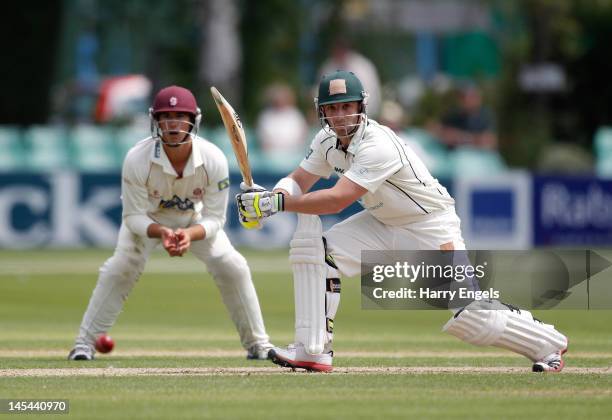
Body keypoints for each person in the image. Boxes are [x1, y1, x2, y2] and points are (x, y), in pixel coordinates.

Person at [235, 71, 568, 373]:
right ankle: (313, 349)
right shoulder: (325, 141)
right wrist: (269, 195)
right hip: (382, 223)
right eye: (332, 109)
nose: (340, 115)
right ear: (322, 111)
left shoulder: (378, 143)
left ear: (361, 107)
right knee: (317, 252)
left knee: (471, 316)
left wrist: (274, 203)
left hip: (429, 226)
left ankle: (547, 342)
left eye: (346, 107)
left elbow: (338, 199)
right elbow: (299, 180)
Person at [68, 86, 273, 360]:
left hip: (194, 220)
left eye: (180, 116)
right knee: (120, 268)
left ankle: (258, 344)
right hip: (149, 221)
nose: (173, 123)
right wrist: (162, 231)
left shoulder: (213, 158)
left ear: (193, 120)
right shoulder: (137, 159)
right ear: (155, 121)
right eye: (166, 116)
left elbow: (216, 219)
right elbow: (132, 217)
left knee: (232, 265)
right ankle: (83, 345)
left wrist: (189, 233)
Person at [430, 83, 498, 150]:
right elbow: (433, 127)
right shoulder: (454, 114)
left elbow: (489, 141)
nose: (466, 100)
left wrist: (460, 137)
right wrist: (442, 134)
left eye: (471, 97)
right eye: (463, 97)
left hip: (476, 156)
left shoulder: (485, 116)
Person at [256, 82, 308, 155]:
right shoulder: (265, 116)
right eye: (277, 99)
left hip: (293, 153)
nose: (280, 101)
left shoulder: (295, 115)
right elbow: (263, 140)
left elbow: (303, 135)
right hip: (272, 154)